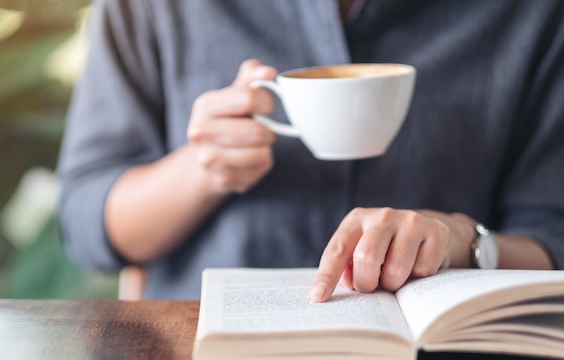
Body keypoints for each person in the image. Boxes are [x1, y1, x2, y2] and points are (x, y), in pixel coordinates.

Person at [57, 0, 564, 301]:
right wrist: (202, 169)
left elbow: (552, 236)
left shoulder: (529, 14)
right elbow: (84, 219)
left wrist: (461, 243)